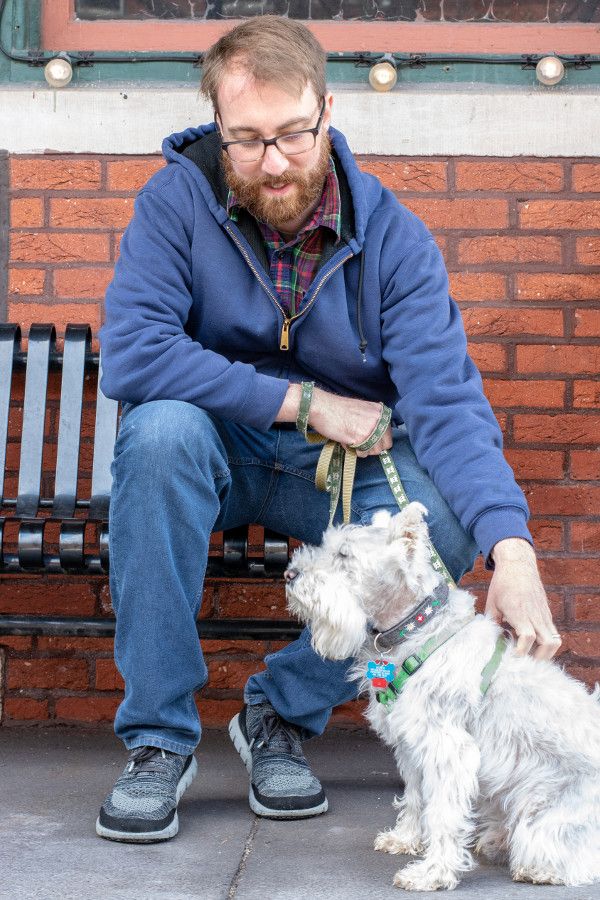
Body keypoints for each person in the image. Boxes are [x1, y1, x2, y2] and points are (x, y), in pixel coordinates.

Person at [97, 16, 560, 843]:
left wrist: (513, 551)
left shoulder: (394, 238)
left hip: (341, 470)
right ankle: (159, 742)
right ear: (217, 126)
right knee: (158, 435)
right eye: (246, 141)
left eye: (292, 135)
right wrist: (305, 404)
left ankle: (279, 711)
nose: (273, 162)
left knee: (445, 519)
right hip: (219, 444)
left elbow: (449, 404)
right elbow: (135, 357)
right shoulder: (174, 203)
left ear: (327, 112)